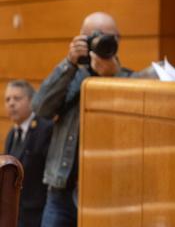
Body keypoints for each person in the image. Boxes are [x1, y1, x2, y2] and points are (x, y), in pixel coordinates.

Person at [32, 12, 134, 227]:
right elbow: (40, 108)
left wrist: (113, 77)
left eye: (109, 37)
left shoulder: (131, 81)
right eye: (94, 37)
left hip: (107, 196)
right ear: (81, 39)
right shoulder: (71, 76)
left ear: (119, 40)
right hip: (61, 191)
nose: (102, 42)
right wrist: (69, 63)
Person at [4, 80, 52, 227]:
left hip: (39, 213)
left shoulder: (45, 128)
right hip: (17, 212)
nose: (11, 103)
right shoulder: (12, 134)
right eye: (7, 99)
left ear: (32, 101)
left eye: (17, 98)